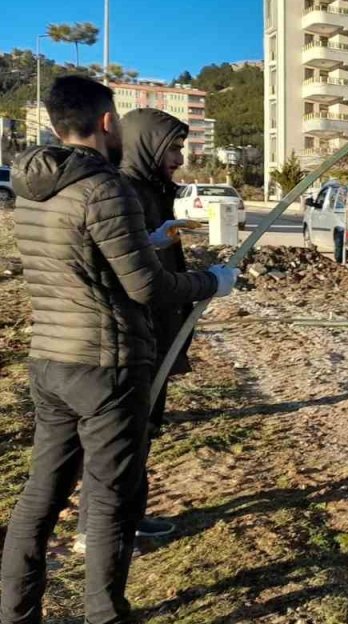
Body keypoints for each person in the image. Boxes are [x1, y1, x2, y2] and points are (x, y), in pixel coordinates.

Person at [1, 75, 238, 624]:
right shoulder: (105, 188)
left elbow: (76, 257)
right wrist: (213, 282)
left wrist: (145, 242)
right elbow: (148, 288)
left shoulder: (33, 188)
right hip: (107, 366)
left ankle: (16, 613)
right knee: (110, 500)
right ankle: (106, 615)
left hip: (50, 361)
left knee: (42, 493)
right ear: (108, 122)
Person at [71, 109, 195, 552]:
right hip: (130, 338)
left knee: (138, 434)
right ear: (147, 145)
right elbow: (136, 278)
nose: (180, 158)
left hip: (152, 333)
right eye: (174, 149)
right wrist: (203, 284)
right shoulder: (127, 193)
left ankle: (129, 518)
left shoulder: (150, 192)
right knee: (120, 439)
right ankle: (99, 532)